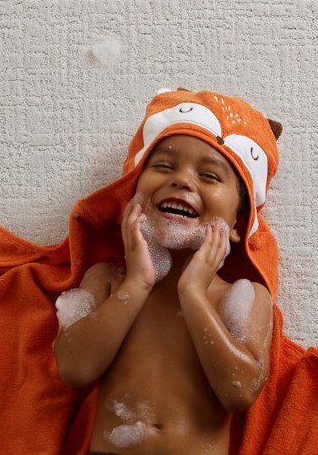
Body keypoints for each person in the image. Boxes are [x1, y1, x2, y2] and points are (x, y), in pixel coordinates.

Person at [54, 88, 282, 454]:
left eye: (209, 175)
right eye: (163, 165)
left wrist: (193, 294)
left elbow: (239, 392)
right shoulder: (109, 281)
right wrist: (137, 283)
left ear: (239, 223)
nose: (183, 179)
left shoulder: (241, 296)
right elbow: (74, 368)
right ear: (132, 195)